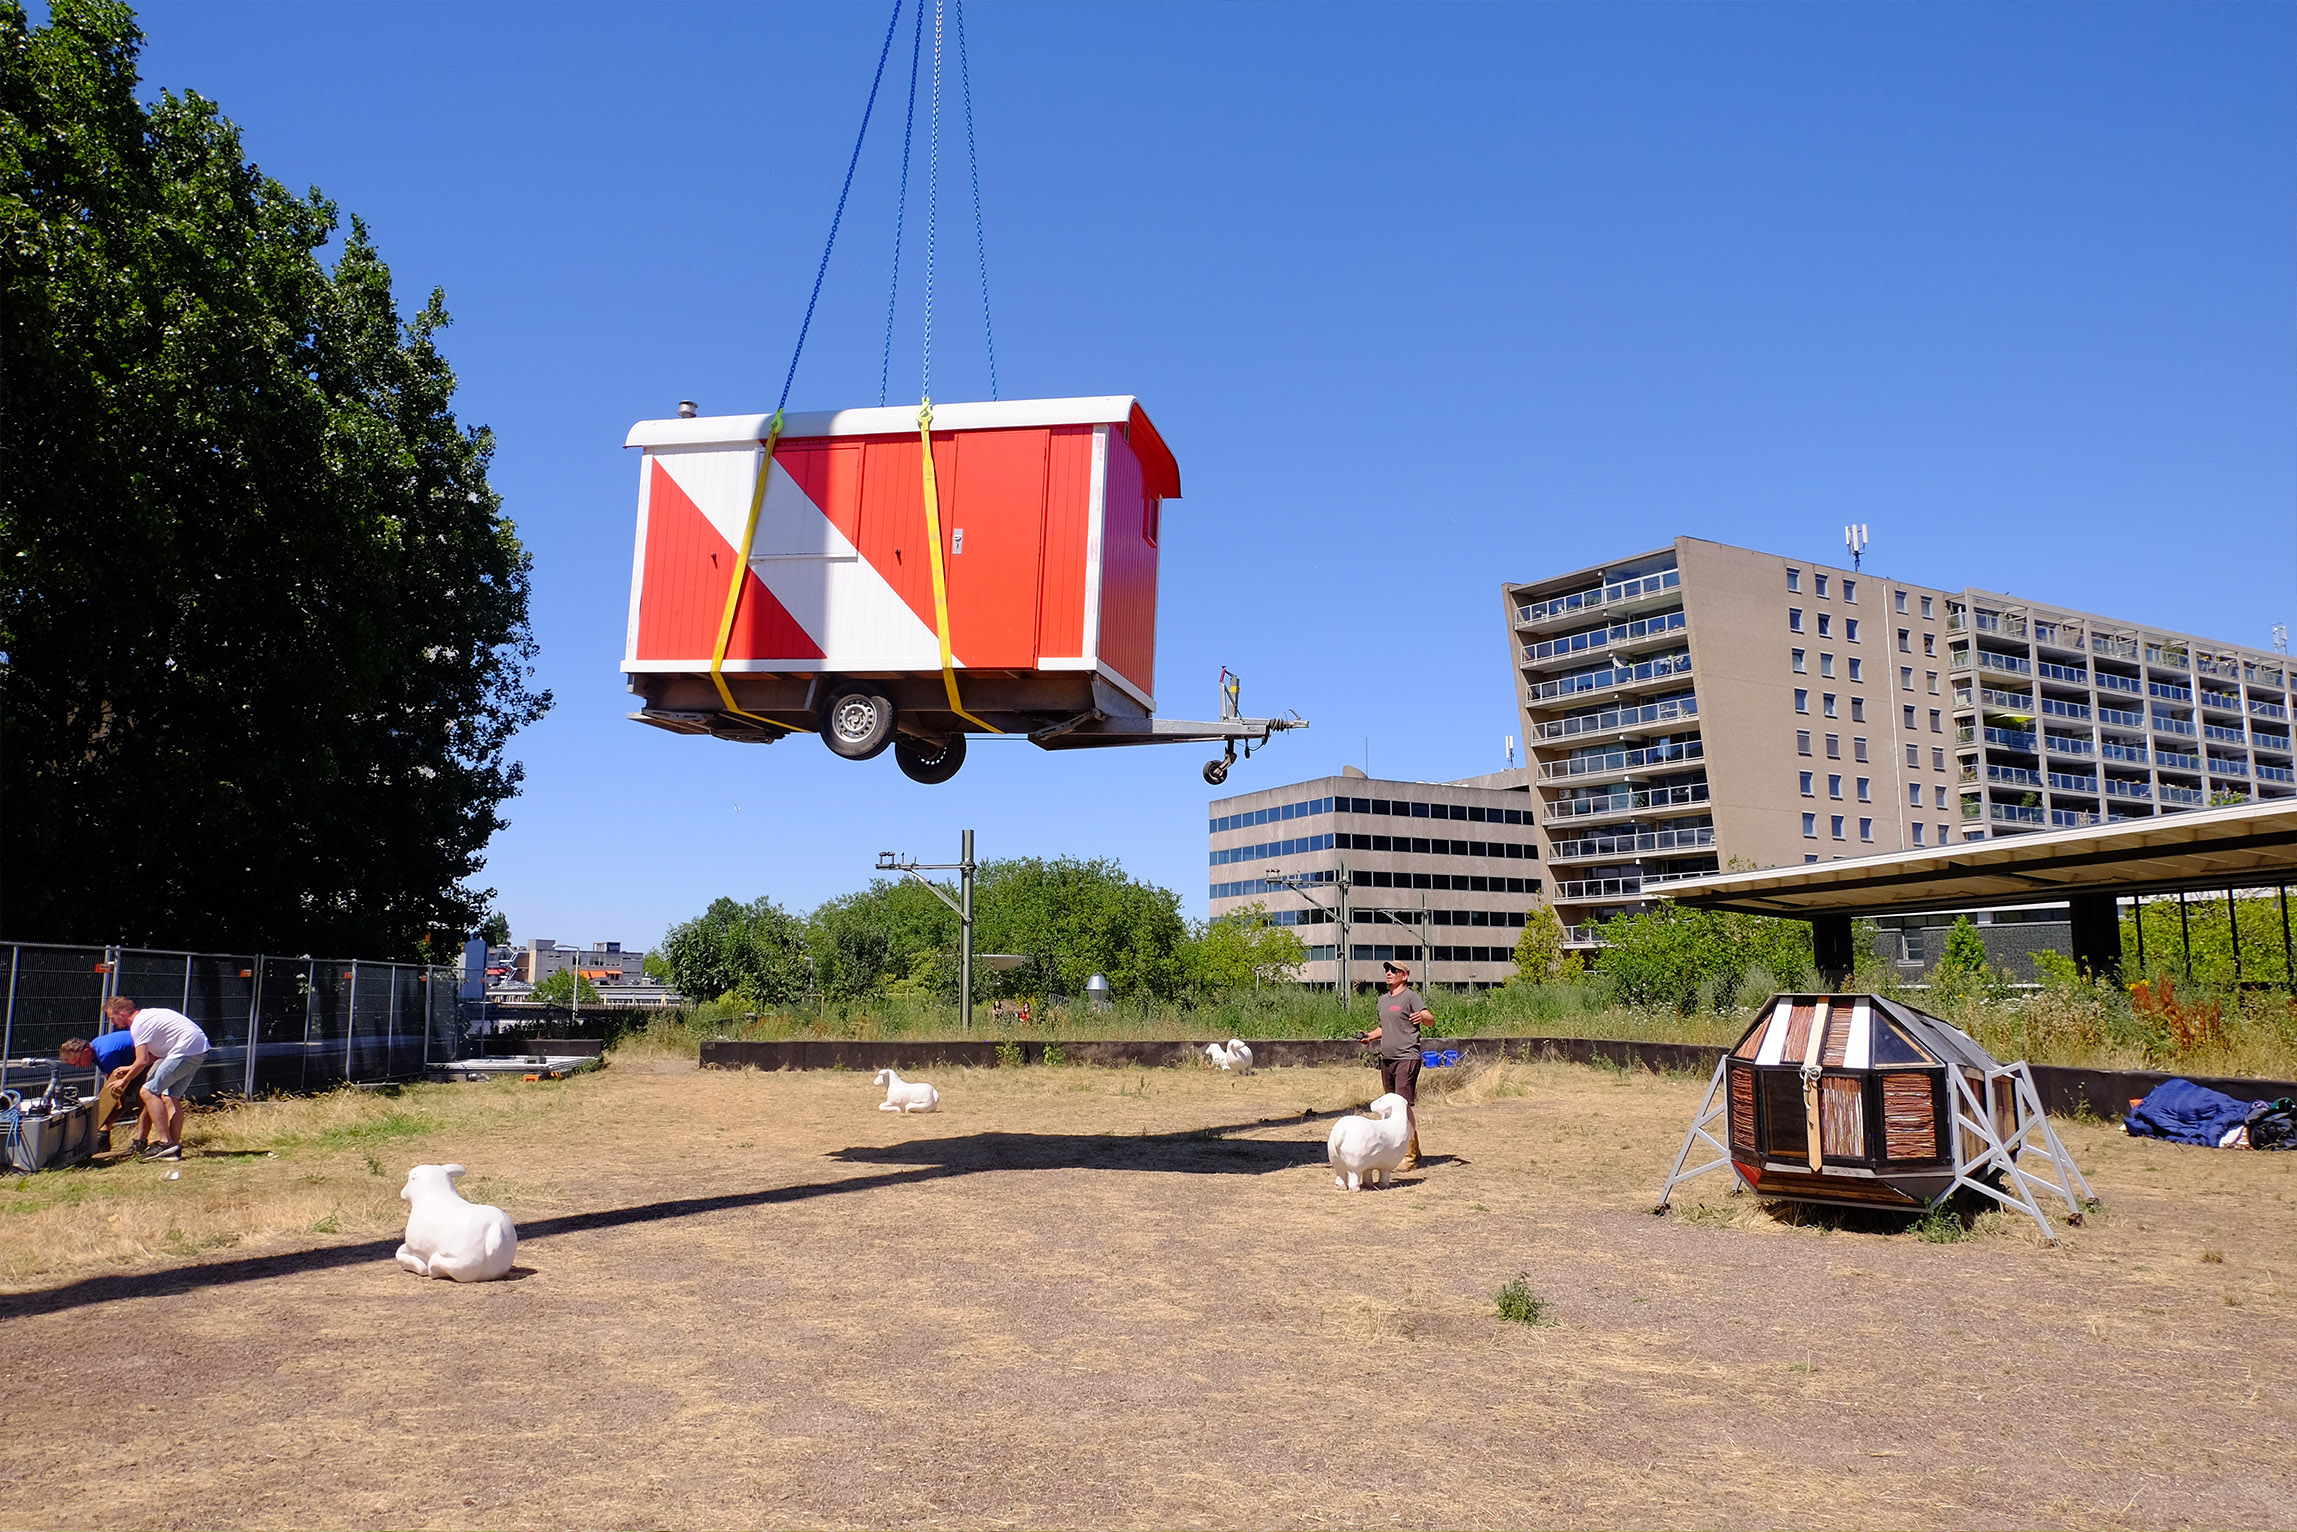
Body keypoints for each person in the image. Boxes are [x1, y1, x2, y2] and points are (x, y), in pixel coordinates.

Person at [101, 995, 209, 1161]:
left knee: (147, 1091)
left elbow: (142, 1060)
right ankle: (173, 1148)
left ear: (122, 1013)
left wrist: (125, 1080)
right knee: (170, 1097)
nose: (112, 1022)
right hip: (197, 1049)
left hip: (185, 1050)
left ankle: (165, 1142)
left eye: (112, 1017)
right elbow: (152, 1056)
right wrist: (131, 1068)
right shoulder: (147, 1017)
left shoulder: (138, 1025)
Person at [1356, 960, 1432, 1170]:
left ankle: (1409, 1156)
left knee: (1403, 1106)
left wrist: (1422, 1017)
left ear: (1404, 975)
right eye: (1387, 970)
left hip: (1406, 1057)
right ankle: (1409, 1149)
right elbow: (1385, 1027)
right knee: (1391, 1107)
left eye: (1394, 970)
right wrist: (1369, 1037)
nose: (1388, 973)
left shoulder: (1410, 996)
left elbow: (1429, 1018)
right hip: (1387, 1058)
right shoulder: (1382, 1001)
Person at [58, 1027, 147, 1152]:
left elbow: (117, 1085)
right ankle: (103, 1134)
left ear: (86, 1051)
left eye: (77, 1062)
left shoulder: (106, 1054)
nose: (78, 1066)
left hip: (149, 1058)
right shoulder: (96, 1047)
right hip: (135, 1062)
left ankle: (141, 1141)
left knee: (142, 1099)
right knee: (118, 1100)